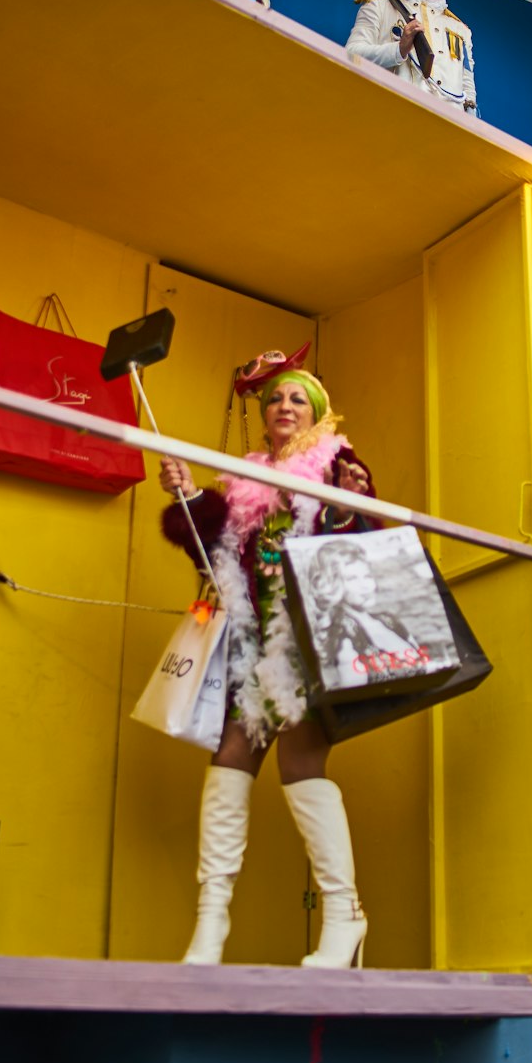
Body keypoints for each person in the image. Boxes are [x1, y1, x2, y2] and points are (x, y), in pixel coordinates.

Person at [159, 346, 376, 969]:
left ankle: (344, 919)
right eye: (275, 398)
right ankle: (210, 926)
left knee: (301, 763)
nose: (284, 405)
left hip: (309, 640)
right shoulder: (247, 478)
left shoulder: (340, 464)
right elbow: (216, 557)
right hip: (251, 640)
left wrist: (345, 506)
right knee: (229, 760)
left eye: (297, 398)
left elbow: (358, 551)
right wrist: (189, 497)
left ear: (319, 415)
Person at [346, 0, 476, 113]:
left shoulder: (459, 28)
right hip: (392, 111)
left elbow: (467, 83)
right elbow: (352, 55)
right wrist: (399, 49)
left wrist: (470, 119)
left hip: (448, 122)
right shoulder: (378, 6)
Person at [306, 539, 426, 688]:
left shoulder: (389, 620)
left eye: (367, 576)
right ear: (333, 585)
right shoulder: (341, 634)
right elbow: (353, 696)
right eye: (352, 579)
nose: (366, 586)